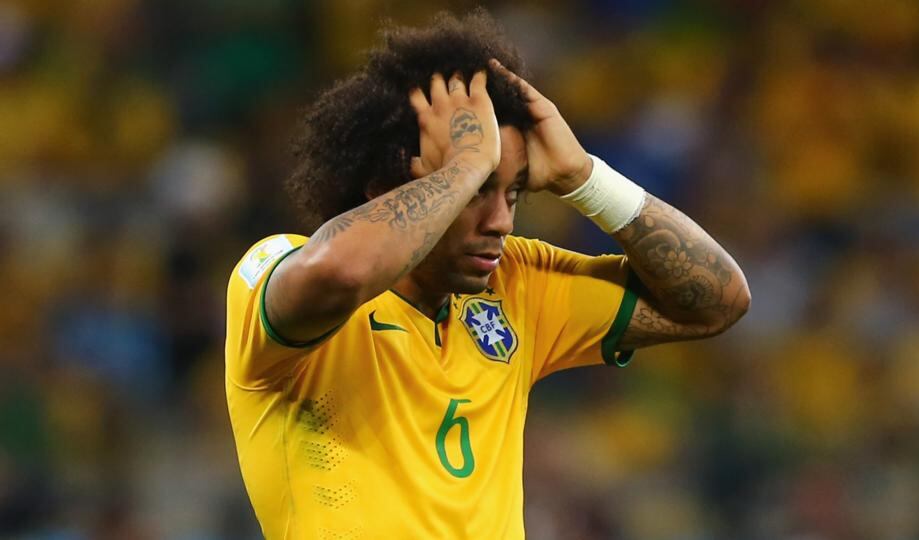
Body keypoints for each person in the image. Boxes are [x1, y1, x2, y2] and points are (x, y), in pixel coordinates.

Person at [224, 10, 750, 539]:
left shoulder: (518, 285)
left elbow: (719, 301)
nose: (502, 221)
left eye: (514, 191)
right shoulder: (275, 270)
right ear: (384, 184)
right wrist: (465, 165)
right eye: (477, 191)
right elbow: (339, 273)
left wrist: (587, 179)